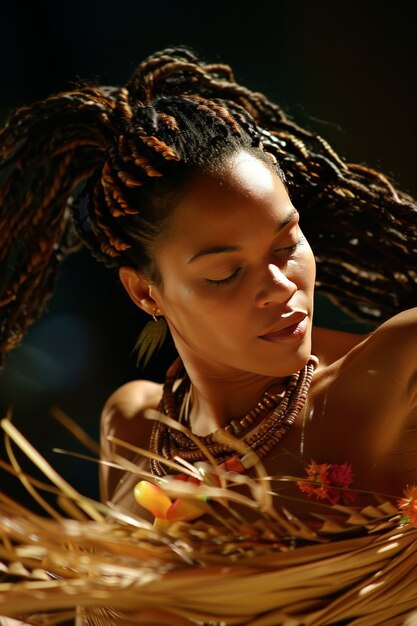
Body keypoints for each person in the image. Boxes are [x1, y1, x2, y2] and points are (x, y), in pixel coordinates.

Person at [1, 45, 417, 527]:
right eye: (226, 273)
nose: (280, 286)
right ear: (146, 293)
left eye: (287, 245)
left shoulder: (393, 376)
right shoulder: (133, 428)